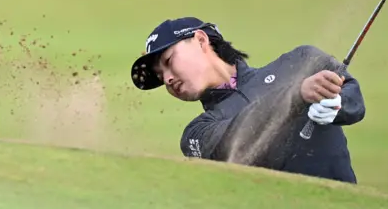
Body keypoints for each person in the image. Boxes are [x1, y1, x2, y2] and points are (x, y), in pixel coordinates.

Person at [130, 16, 366, 184]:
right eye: (161, 77)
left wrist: (337, 104)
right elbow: (235, 140)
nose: (168, 79)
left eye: (169, 62)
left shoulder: (300, 61)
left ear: (201, 40)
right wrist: (296, 96)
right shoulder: (197, 133)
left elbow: (352, 95)